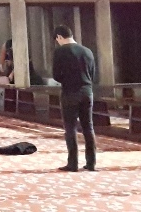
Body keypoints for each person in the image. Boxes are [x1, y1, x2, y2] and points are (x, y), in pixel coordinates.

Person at [51, 25, 97, 172]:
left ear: (59, 37)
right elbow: (93, 74)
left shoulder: (60, 51)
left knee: (70, 128)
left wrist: (66, 79)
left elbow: (56, 75)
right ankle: (91, 163)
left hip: (70, 92)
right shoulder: (87, 51)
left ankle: (73, 163)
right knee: (88, 127)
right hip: (87, 91)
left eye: (57, 40)